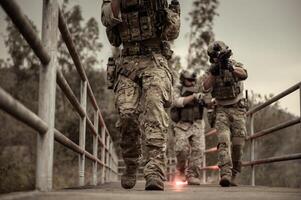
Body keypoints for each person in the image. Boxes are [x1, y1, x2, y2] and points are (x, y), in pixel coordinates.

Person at [101, 0, 181, 190]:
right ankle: (130, 163)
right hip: (128, 61)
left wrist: (164, 11)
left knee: (154, 107)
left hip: (154, 59)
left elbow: (173, 32)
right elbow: (113, 36)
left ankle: (154, 170)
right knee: (127, 114)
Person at [202, 41, 248, 187]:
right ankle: (225, 174)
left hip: (238, 109)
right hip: (221, 110)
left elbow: (244, 74)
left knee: (238, 145)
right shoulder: (211, 70)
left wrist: (231, 67)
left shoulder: (235, 64)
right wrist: (214, 72)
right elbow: (205, 87)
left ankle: (234, 174)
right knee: (223, 141)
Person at [170, 70, 205, 185]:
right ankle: (180, 171)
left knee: (198, 150)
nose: (191, 82)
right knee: (181, 149)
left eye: (193, 80)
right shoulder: (177, 89)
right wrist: (193, 97)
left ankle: (193, 175)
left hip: (197, 124)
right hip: (181, 124)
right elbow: (176, 101)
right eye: (188, 80)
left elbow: (208, 100)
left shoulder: (200, 88)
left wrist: (207, 102)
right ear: (183, 80)